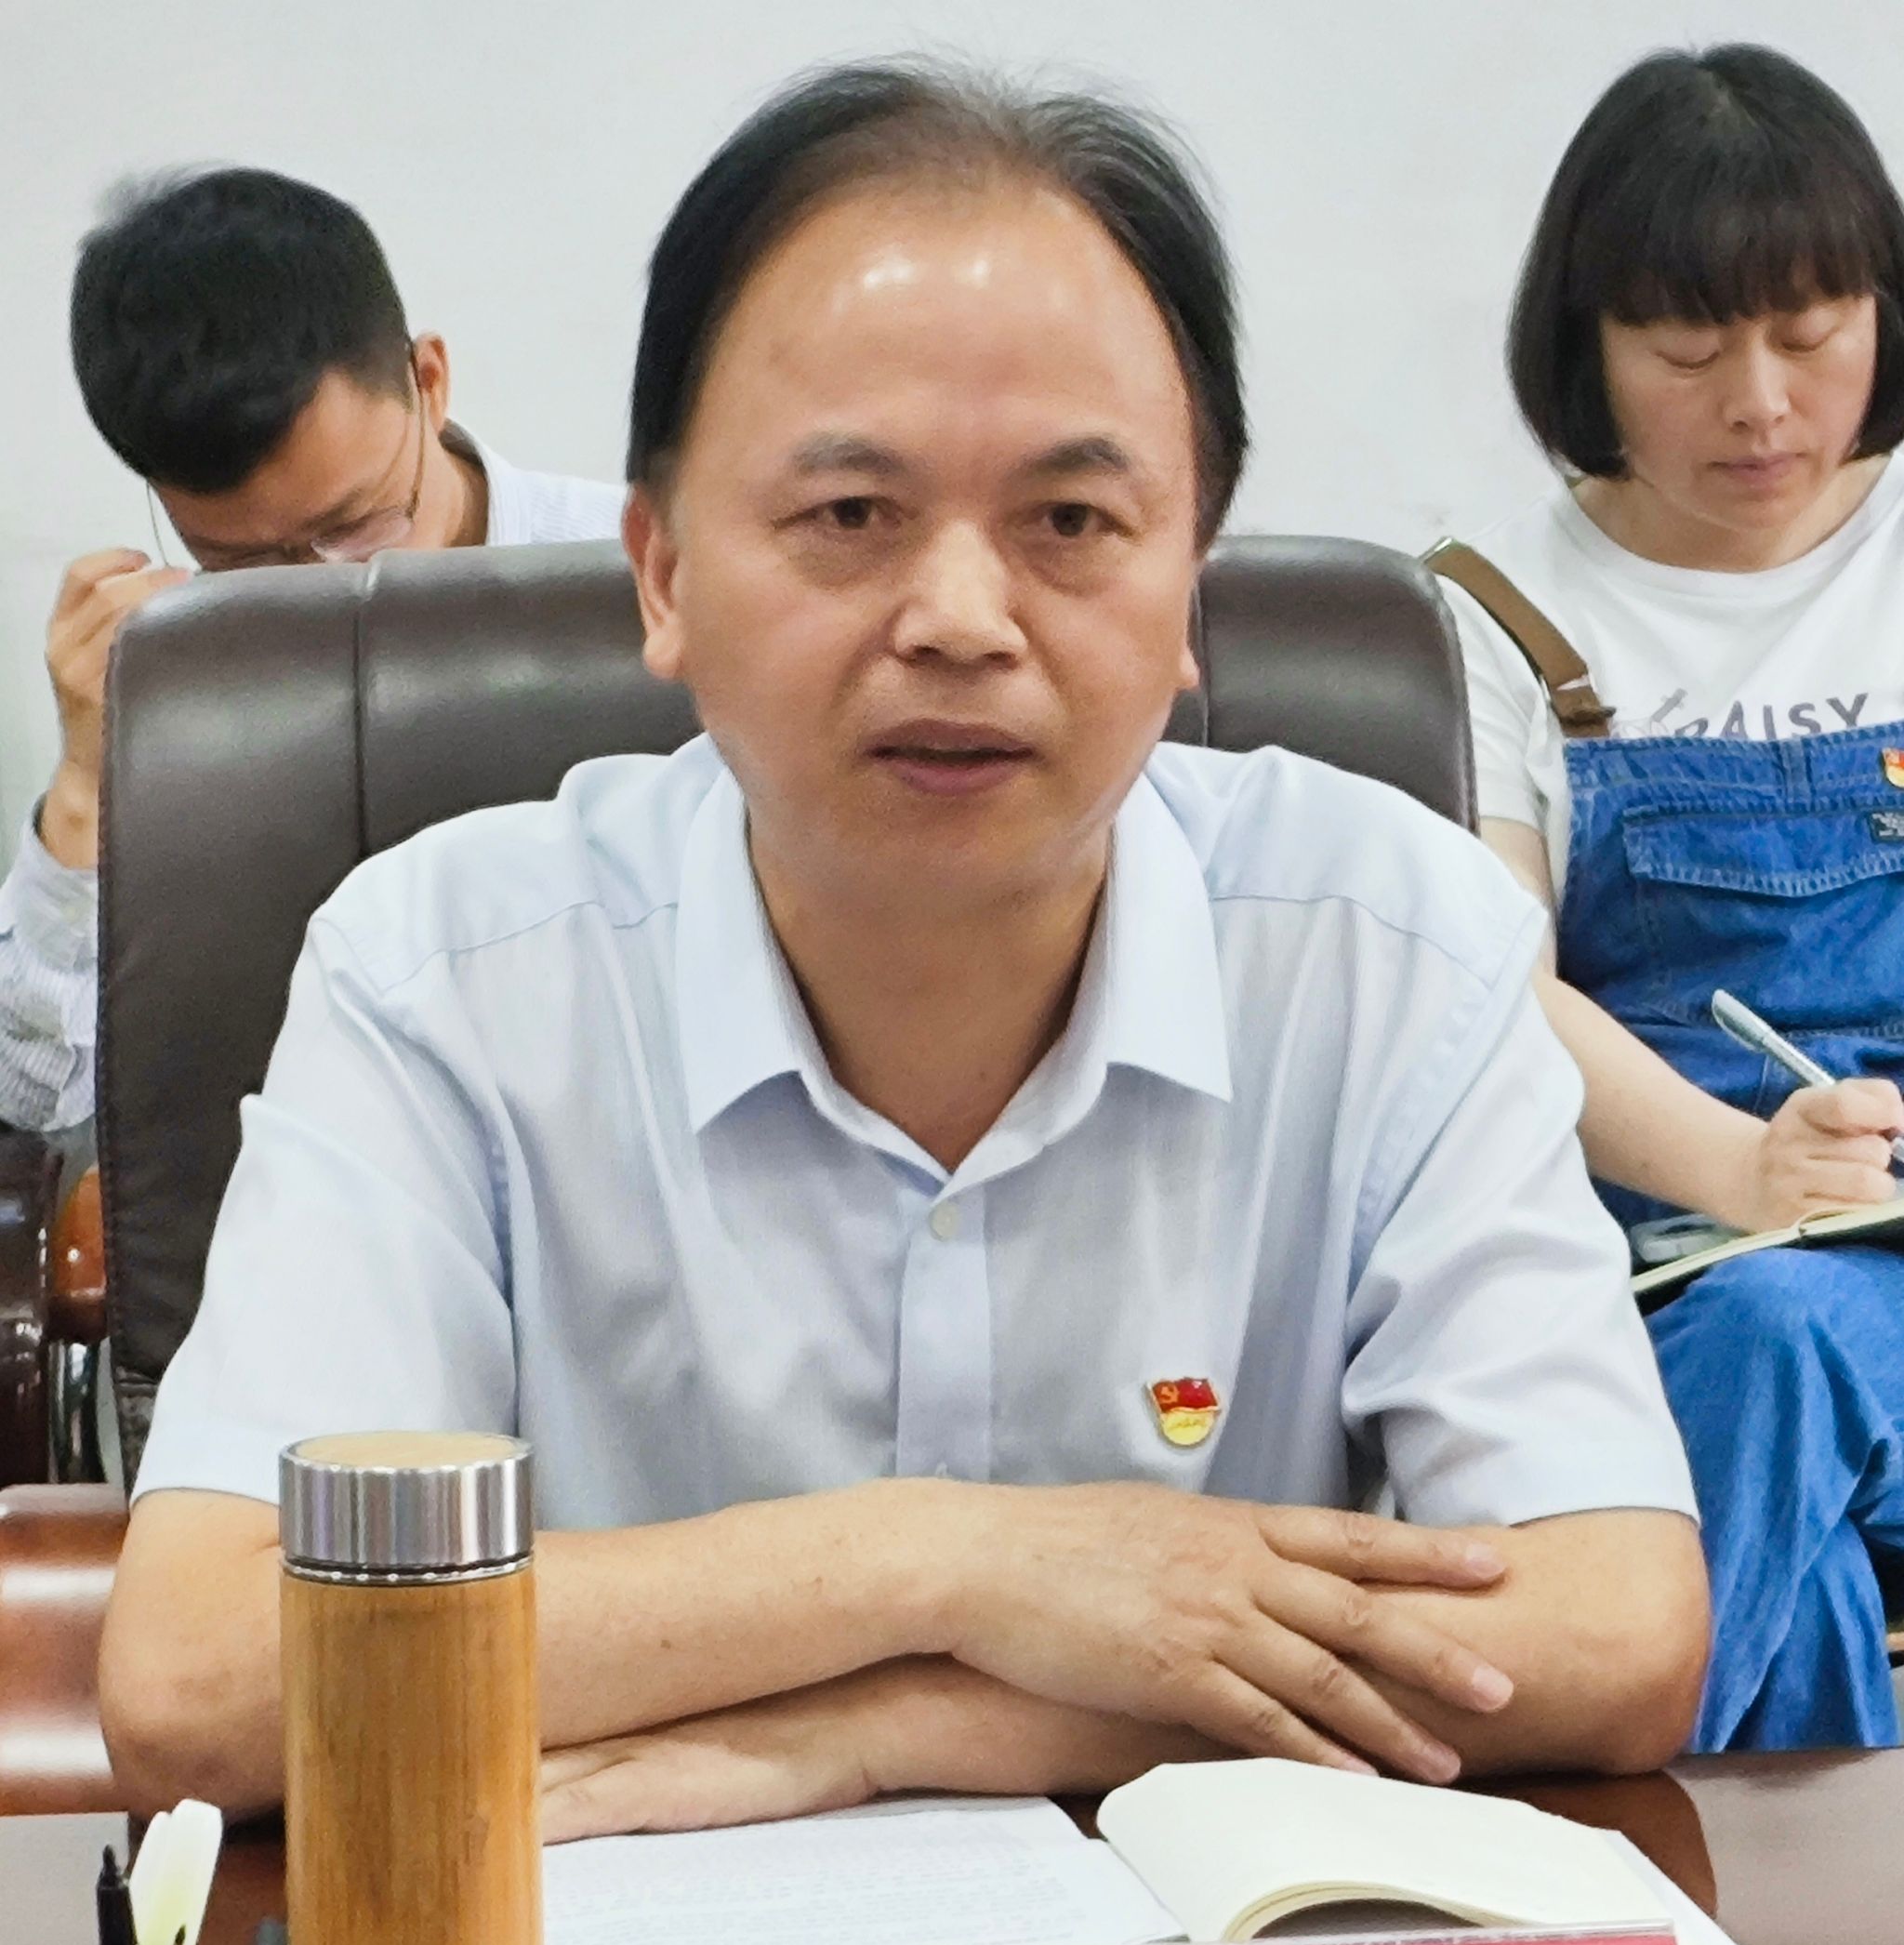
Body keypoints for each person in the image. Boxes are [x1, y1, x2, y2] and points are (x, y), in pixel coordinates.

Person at [101, 63, 1707, 1833]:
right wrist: (945, 1561)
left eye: (1070, 522)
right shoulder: (442, 974)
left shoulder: (1388, 942)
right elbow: (201, 1680)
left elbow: (1610, 1628)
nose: (958, 619)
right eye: (850, 517)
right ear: (662, 574)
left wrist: (902, 1719)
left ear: (1188, 581)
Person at [1432, 44, 1904, 1752]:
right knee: (1797, 1502)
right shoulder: (1485, 610)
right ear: (1591, 349)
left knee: (1777, 1352)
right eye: (1690, 353)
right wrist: (1742, 1169)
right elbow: (1489, 981)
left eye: (1811, 334)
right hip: (1651, 1257)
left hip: (1866, 1255)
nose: (1760, 405)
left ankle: (1553, 1847)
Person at [0, 167, 626, 1136]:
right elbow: (38, 1096)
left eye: (358, 525)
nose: (318, 585)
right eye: (242, 560)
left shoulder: (642, 588)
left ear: (428, 381)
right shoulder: (176, 668)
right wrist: (84, 783)